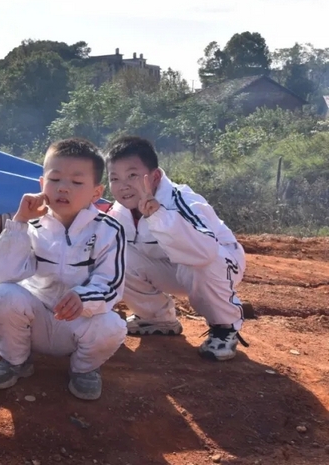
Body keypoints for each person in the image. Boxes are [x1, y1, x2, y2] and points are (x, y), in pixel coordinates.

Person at [0, 138, 127, 401]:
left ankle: (84, 369)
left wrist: (83, 298)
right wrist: (19, 222)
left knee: (112, 325)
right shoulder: (30, 224)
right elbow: (4, 274)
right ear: (42, 184)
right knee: (2, 295)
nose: (63, 188)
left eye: (76, 182)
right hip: (36, 321)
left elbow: (111, 283)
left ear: (96, 192)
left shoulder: (109, 229)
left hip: (77, 322)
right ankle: (16, 361)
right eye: (55, 179)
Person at [106, 136, 247, 361]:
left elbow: (205, 252)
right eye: (114, 178)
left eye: (132, 175)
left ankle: (225, 327)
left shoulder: (182, 200)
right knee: (114, 254)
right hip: (172, 270)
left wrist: (159, 216)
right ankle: (157, 318)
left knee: (203, 261)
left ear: (155, 176)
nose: (123, 185)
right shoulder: (119, 212)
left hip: (219, 265)